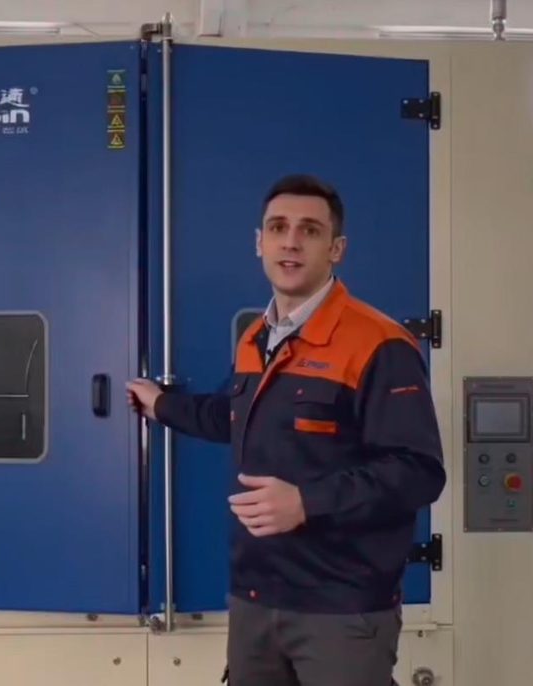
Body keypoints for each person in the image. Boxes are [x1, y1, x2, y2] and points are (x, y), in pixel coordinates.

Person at [126, 174, 446, 686]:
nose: (291, 241)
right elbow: (229, 415)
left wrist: (307, 502)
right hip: (256, 597)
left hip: (340, 607)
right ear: (259, 243)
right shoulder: (257, 337)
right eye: (278, 227)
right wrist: (161, 404)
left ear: (335, 248)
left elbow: (419, 472)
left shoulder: (379, 344)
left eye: (310, 230)